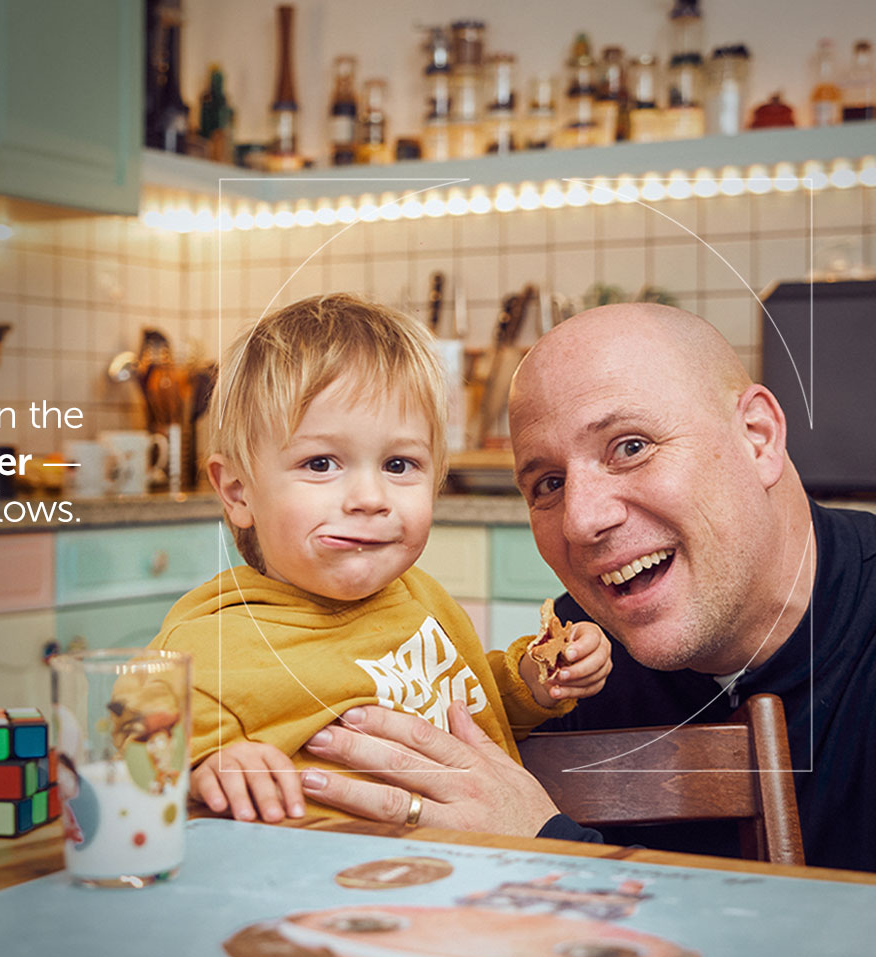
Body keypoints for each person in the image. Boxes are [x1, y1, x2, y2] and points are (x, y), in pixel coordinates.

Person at [300, 303, 876, 906]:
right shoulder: (577, 664)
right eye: (546, 482)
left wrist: (558, 854)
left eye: (632, 446)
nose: (583, 518)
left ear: (758, 436)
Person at [152, 293, 613, 824]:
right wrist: (211, 763)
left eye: (399, 463)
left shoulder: (421, 600)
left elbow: (462, 714)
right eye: (321, 463)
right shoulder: (211, 643)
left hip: (478, 883)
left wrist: (532, 679)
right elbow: (135, 744)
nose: (370, 498)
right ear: (237, 492)